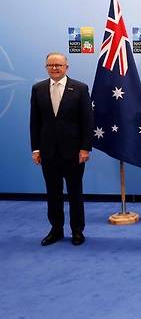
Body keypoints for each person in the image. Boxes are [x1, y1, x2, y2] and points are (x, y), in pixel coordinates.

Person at [30, 52, 93, 246]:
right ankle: (56, 230)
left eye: (58, 65)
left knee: (75, 192)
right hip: (48, 151)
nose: (55, 68)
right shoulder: (38, 89)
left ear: (67, 67)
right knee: (53, 192)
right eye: (50, 65)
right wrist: (36, 149)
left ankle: (77, 231)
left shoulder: (80, 89)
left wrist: (85, 148)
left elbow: (87, 121)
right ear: (46, 67)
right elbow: (35, 122)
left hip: (74, 152)